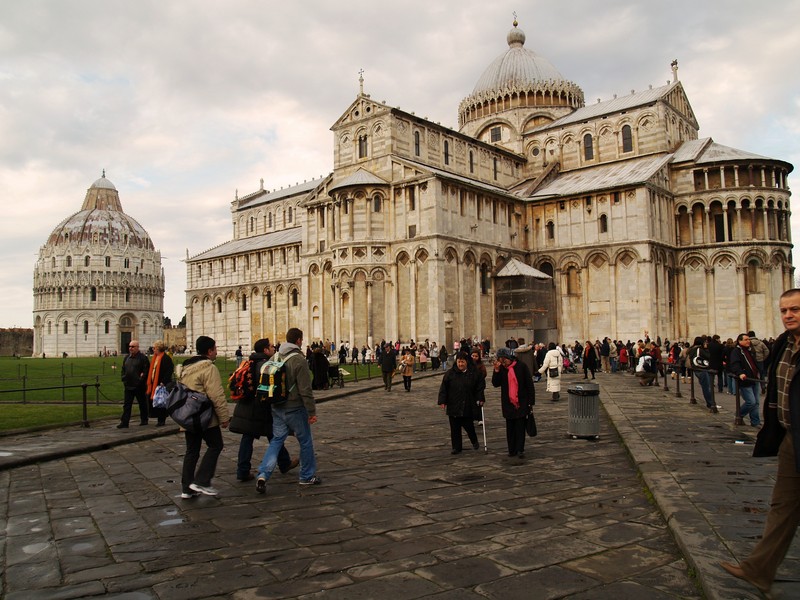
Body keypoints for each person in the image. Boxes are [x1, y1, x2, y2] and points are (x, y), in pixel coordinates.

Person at [720, 289, 800, 595]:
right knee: (783, 505)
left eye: (795, 309)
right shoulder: (783, 344)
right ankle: (759, 569)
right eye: (784, 310)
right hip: (791, 437)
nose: (788, 315)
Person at [256, 327, 321, 492]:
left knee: (277, 440)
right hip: (294, 407)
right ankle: (306, 476)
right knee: (305, 441)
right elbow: (305, 390)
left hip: (276, 406)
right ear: (299, 340)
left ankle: (263, 474)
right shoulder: (299, 359)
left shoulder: (276, 355)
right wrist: (312, 412)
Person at [230, 339, 298, 482]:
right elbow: (270, 388)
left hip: (246, 407)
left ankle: (244, 470)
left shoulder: (249, 363)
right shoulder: (265, 366)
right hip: (260, 408)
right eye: (271, 347)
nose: (274, 349)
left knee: (256, 437)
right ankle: (282, 463)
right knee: (273, 436)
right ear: (265, 350)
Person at [178, 336, 230, 497]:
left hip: (188, 415)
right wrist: (224, 417)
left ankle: (187, 488)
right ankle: (202, 481)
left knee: (192, 451)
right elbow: (216, 395)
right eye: (215, 349)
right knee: (216, 445)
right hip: (204, 416)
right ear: (209, 351)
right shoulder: (209, 368)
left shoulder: (186, 367)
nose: (216, 352)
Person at [492, 347, 535, 458]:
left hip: (521, 401)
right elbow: (495, 383)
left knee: (520, 427)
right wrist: (496, 371)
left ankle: (520, 449)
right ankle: (511, 450)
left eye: (504, 360)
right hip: (508, 402)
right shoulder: (501, 369)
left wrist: (531, 402)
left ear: (509, 358)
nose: (503, 363)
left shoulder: (521, 366)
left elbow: (529, 385)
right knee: (510, 428)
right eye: (501, 360)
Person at [438, 352, 484, 454]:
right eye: (459, 362)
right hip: (453, 403)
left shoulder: (473, 373)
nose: (460, 364)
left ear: (466, 362)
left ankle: (474, 440)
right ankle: (456, 447)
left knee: (468, 425)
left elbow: (479, 388)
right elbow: (444, 388)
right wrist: (442, 401)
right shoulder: (450, 373)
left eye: (462, 362)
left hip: (467, 403)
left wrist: (480, 398)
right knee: (455, 427)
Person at [727, 333, 761, 427]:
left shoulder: (750, 350)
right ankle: (739, 415)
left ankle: (755, 422)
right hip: (745, 380)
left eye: (749, 339)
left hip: (754, 378)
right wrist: (740, 373)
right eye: (746, 340)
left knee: (756, 402)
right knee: (751, 402)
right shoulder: (736, 351)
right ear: (740, 341)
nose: (748, 341)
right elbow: (735, 363)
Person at [118, 340, 150, 428]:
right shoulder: (126, 358)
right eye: (129, 346)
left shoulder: (143, 358)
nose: (130, 348)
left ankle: (144, 419)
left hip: (139, 386)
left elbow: (146, 371)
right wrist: (124, 379)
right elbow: (123, 369)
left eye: (132, 346)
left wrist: (140, 380)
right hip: (128, 385)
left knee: (142, 403)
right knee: (127, 405)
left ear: (137, 347)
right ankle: (124, 422)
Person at [145, 340, 173, 427]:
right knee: (156, 401)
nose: (153, 350)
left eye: (154, 348)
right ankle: (158, 418)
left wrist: (163, 382)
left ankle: (161, 420)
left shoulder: (166, 358)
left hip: (161, 384)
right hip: (154, 383)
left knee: (161, 401)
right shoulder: (155, 358)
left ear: (158, 348)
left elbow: (169, 371)